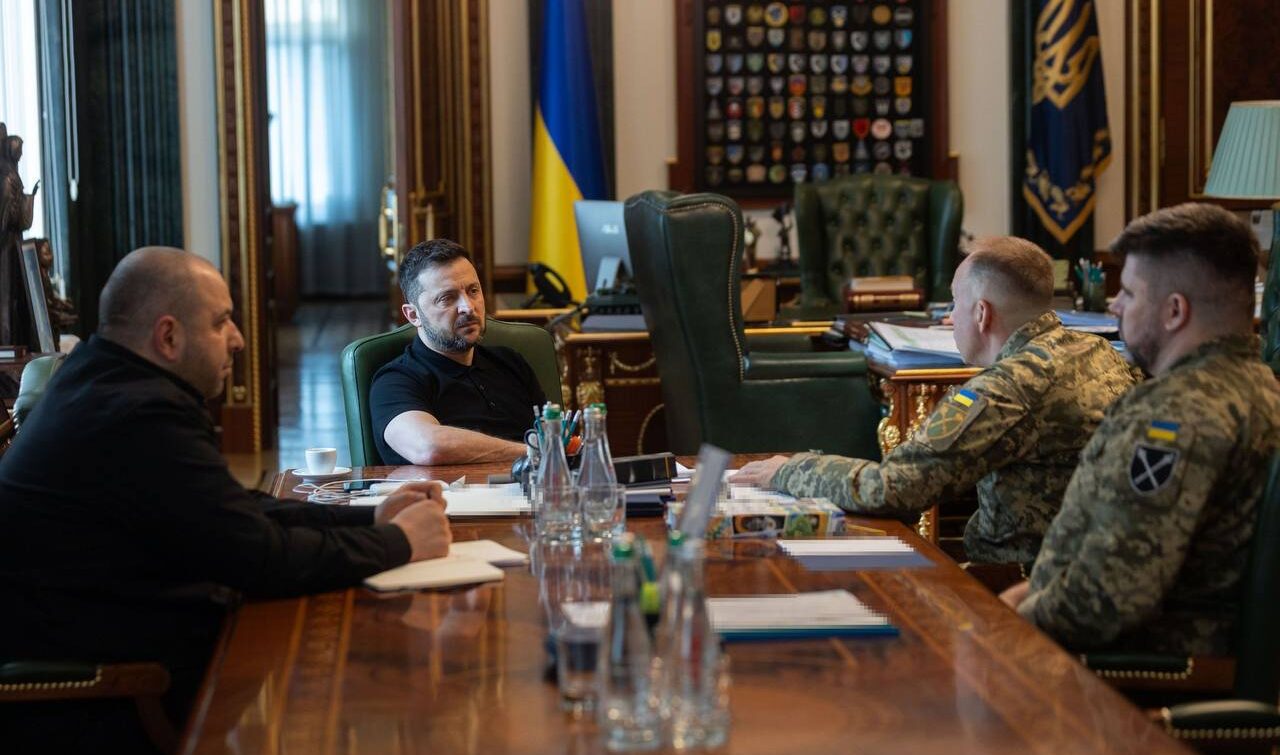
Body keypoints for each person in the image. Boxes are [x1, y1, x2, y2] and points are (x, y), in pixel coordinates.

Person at [0, 247, 451, 751]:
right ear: (168, 337)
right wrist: (399, 543)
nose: (238, 339)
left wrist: (371, 518)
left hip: (116, 634)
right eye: (221, 323)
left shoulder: (106, 377)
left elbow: (229, 508)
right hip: (103, 694)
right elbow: (257, 558)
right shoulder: (136, 413)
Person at [732, 236, 1136, 566]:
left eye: (955, 304)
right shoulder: (1097, 351)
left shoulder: (1007, 388)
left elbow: (893, 490)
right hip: (1092, 568)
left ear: (982, 314)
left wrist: (789, 469)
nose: (950, 318)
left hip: (1017, 585)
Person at [1003, 203, 1280, 656]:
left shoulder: (1172, 414)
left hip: (1133, 673)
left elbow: (1104, 600)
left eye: (1129, 293)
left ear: (1174, 311)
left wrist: (1002, 625)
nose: (1115, 304)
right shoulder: (1261, 388)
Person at [371, 239, 545, 465]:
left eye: (473, 291)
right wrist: (533, 452)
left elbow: (554, 435)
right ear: (413, 315)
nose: (468, 307)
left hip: (534, 486)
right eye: (447, 298)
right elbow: (429, 447)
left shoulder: (511, 362)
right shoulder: (395, 381)